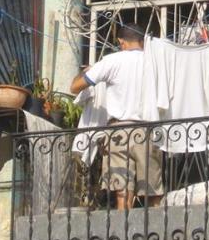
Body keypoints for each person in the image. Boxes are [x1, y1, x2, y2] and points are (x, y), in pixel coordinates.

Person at [69, 25, 163, 210]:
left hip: (118, 132)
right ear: (143, 42)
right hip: (148, 131)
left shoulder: (111, 61)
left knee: (122, 193)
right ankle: (157, 228)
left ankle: (123, 227)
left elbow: (75, 87)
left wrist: (88, 71)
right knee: (153, 194)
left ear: (121, 42)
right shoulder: (156, 62)